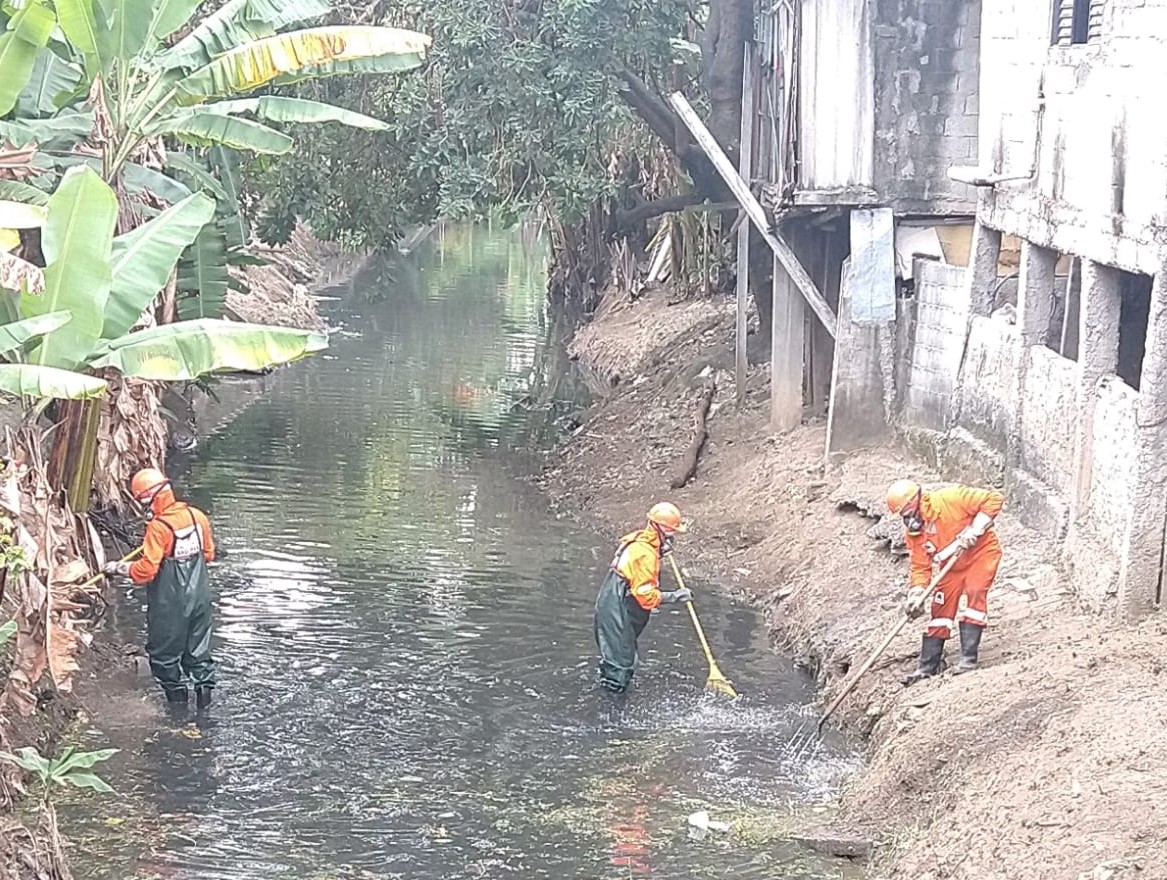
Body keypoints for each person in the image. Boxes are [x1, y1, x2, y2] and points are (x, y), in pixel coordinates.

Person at [104, 467, 217, 717]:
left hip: (171, 602)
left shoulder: (158, 527)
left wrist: (119, 568)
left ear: (148, 499)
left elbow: (146, 571)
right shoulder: (198, 516)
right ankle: (204, 713)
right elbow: (208, 554)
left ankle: (177, 713)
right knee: (198, 653)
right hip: (200, 597)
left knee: (164, 657)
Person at [885, 478, 1005, 685]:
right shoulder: (915, 533)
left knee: (976, 593)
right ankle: (927, 666)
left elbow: (994, 499)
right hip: (951, 567)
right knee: (940, 609)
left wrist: (974, 530)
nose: (906, 519)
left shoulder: (951, 498)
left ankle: (968, 659)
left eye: (906, 512)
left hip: (980, 554)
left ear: (915, 500)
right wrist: (916, 594)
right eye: (902, 516)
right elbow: (920, 567)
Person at [593, 501, 691, 694]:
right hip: (616, 607)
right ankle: (610, 715)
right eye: (671, 533)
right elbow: (644, 595)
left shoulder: (640, 541)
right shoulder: (646, 553)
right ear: (660, 528)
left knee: (620, 656)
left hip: (613, 602)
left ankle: (609, 694)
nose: (672, 538)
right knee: (621, 664)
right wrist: (674, 596)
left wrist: (659, 551)